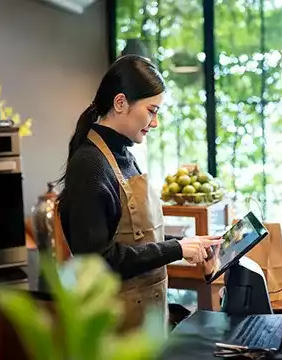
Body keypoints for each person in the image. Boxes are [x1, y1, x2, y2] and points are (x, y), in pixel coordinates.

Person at [57, 55, 222, 333]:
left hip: (144, 324)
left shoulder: (125, 156)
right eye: (151, 111)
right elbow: (97, 262)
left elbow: (137, 238)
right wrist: (176, 248)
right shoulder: (89, 167)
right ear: (120, 103)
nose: (154, 123)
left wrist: (187, 243)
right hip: (114, 329)